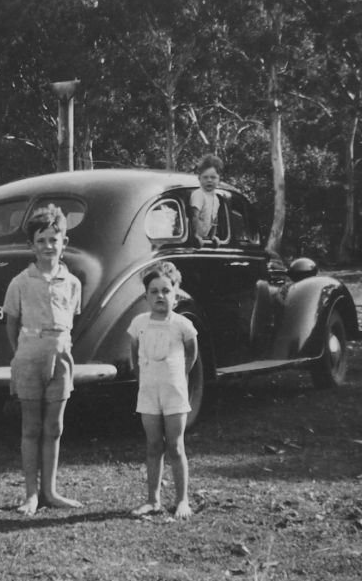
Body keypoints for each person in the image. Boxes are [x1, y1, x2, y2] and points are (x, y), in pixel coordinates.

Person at [2, 204, 83, 516]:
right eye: (41, 240)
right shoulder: (20, 282)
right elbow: (11, 324)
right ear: (31, 245)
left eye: (54, 239)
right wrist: (24, 353)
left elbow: (70, 318)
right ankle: (31, 495)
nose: (48, 246)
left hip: (61, 356)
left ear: (64, 242)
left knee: (55, 427)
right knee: (31, 427)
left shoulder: (72, 282)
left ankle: (50, 491)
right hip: (29, 356)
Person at [127, 261, 198, 519]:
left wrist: (181, 376)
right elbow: (134, 353)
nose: (160, 296)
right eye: (154, 291)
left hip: (174, 394)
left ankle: (182, 500)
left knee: (176, 446)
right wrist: (142, 376)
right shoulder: (138, 323)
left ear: (176, 293)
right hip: (148, 393)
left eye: (166, 291)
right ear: (146, 295)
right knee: (153, 445)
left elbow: (191, 353)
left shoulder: (182, 325)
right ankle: (152, 500)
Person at [189, 154, 224, 245]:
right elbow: (194, 216)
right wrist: (196, 235)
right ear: (199, 178)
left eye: (213, 177)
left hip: (204, 239)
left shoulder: (216, 199)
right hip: (192, 239)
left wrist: (212, 236)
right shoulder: (199, 194)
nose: (209, 180)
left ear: (218, 179)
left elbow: (214, 219)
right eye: (205, 177)